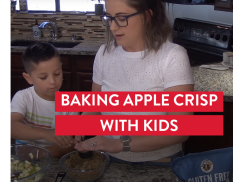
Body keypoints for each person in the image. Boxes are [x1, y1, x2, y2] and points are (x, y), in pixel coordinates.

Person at [74, 0, 194, 166]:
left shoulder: (172, 57)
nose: (113, 27)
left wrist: (119, 145)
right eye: (109, 18)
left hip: (160, 161)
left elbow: (181, 131)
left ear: (146, 16)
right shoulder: (104, 53)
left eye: (122, 18)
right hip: (109, 158)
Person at [11, 42, 78, 158]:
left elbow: (70, 144)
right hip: (23, 158)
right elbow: (11, 126)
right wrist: (44, 133)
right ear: (29, 78)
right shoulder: (23, 97)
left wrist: (39, 154)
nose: (52, 81)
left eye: (57, 74)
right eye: (43, 77)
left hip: (51, 158)